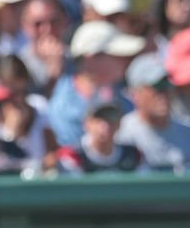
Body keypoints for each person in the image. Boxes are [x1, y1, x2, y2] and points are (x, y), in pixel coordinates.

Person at [47, 20, 145, 151]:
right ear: (91, 58)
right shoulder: (63, 106)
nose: (126, 60)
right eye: (117, 54)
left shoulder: (124, 98)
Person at [117, 52, 190, 171]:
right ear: (135, 93)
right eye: (157, 86)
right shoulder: (123, 136)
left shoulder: (187, 132)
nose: (163, 93)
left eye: (167, 85)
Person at [54, 95, 141, 174]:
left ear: (119, 123)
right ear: (86, 123)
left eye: (112, 117)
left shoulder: (132, 155)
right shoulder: (73, 156)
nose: (105, 125)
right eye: (99, 118)